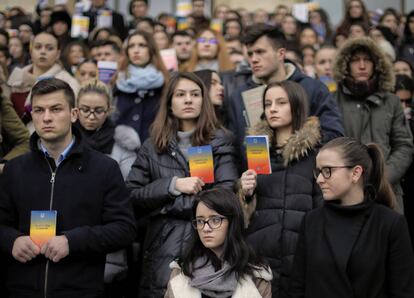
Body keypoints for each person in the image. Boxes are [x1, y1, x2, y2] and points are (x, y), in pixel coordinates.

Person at [0, 78, 136, 297]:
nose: (46, 117)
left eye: (55, 109)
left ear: (74, 114)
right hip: (21, 288)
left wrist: (72, 241)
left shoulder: (104, 168)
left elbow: (124, 228)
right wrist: (11, 240)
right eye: (38, 110)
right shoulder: (15, 170)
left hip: (80, 289)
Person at [126, 72, 238, 298]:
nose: (188, 100)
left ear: (203, 101)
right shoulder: (152, 146)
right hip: (162, 249)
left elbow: (226, 197)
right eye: (181, 94)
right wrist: (172, 185)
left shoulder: (221, 141)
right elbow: (131, 197)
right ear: (169, 104)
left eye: (195, 94)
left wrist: (164, 207)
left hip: (209, 248)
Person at [289, 137, 414, 297]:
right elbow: (297, 288)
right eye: (318, 172)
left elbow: (402, 291)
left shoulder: (390, 224)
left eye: (327, 171)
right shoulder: (311, 221)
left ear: (355, 173)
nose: (319, 179)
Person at [238, 81, 323, 297]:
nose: (272, 108)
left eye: (281, 102)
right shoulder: (255, 151)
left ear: (297, 105)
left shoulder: (316, 155)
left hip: (301, 256)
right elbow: (243, 214)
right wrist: (244, 192)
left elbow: (322, 208)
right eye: (267, 103)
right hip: (259, 256)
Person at [226, 24, 343, 154]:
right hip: (254, 173)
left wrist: (300, 143)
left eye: (260, 52)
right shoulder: (238, 96)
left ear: (280, 53)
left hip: (303, 171)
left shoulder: (313, 88)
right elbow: (234, 148)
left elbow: (334, 136)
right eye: (250, 54)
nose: (253, 59)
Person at [333, 37, 414, 212]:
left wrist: (383, 177)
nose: (362, 66)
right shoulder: (334, 101)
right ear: (345, 64)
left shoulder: (391, 101)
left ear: (377, 64)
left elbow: (404, 146)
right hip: (346, 192)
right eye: (355, 60)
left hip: (387, 192)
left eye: (367, 60)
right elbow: (328, 146)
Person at [164, 188, 272, 298]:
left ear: (232, 223)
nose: (206, 228)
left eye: (215, 220)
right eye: (200, 221)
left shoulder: (257, 275)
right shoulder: (181, 271)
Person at [7, 32, 79, 122]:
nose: (43, 51)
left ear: (58, 54)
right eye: (38, 47)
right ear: (31, 51)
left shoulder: (68, 82)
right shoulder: (17, 76)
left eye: (49, 48)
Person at [112, 30, 169, 143]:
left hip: (155, 146)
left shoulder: (166, 82)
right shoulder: (116, 80)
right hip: (122, 148)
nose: (136, 50)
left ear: (151, 49)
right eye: (131, 46)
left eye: (142, 45)